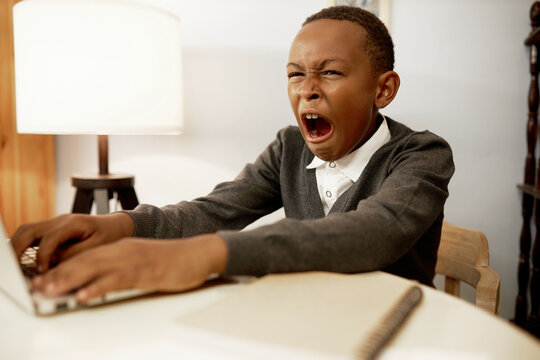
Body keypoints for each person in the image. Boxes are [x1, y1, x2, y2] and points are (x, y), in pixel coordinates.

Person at [11, 6, 454, 303]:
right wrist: (116, 224)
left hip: (394, 330)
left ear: (383, 89)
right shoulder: (290, 147)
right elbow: (212, 212)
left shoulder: (422, 155)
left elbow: (374, 233)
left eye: (331, 72)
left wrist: (202, 256)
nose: (307, 89)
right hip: (306, 321)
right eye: (295, 74)